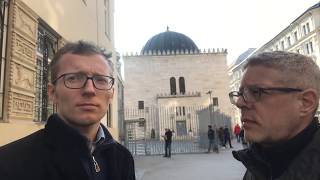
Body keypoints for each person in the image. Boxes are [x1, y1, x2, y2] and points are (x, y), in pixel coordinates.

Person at [0, 41, 136, 180]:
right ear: (53, 92)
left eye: (100, 80)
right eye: (74, 78)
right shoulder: (9, 164)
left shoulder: (123, 159)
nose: (89, 89)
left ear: (111, 94)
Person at [229, 51, 320, 179]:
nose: (239, 103)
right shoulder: (256, 162)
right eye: (240, 93)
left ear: (306, 103)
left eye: (256, 92)